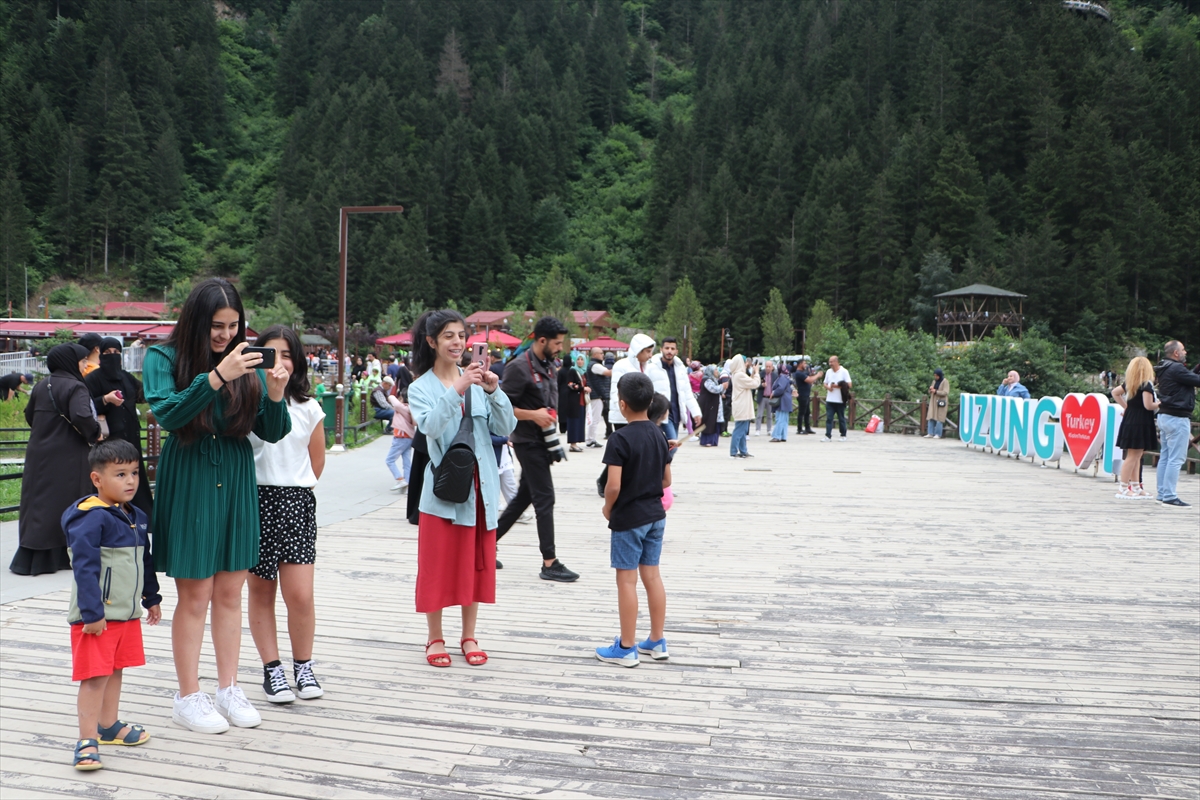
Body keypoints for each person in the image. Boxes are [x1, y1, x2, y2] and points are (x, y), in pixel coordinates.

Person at [143, 277, 291, 734]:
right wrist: (217, 376)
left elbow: (272, 431)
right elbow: (167, 413)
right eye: (216, 326)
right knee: (195, 594)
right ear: (196, 321)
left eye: (233, 325)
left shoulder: (247, 359)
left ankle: (229, 688)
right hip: (190, 471)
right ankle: (188, 695)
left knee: (230, 591)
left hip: (236, 472)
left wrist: (274, 393)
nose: (227, 335)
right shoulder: (162, 357)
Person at [407, 309, 516, 667]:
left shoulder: (479, 381)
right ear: (431, 341)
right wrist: (458, 388)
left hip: (480, 490)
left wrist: (493, 389)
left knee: (474, 565)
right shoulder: (420, 388)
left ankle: (469, 636)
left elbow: (506, 426)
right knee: (436, 566)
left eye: (461, 335)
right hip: (443, 493)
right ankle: (434, 637)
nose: (457, 342)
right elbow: (431, 428)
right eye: (448, 336)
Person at [63, 439, 162, 771]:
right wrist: (93, 613)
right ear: (97, 479)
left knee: (116, 669)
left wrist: (151, 597)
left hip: (126, 614)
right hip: (98, 616)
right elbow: (84, 568)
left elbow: (144, 561)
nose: (130, 481)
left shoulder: (136, 516)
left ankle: (108, 725)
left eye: (134, 473)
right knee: (94, 676)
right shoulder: (90, 518)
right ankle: (86, 740)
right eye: (120, 474)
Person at [245, 325, 327, 704]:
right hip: (254, 500)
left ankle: (303, 666)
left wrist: (295, 487)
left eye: (288, 355)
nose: (279, 363)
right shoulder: (246, 403)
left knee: (301, 595)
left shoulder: (309, 408)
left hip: (295, 502)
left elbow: (316, 463)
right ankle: (272, 669)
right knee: (261, 591)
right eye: (270, 355)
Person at [595, 373, 672, 667]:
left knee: (627, 581)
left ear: (622, 404)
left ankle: (626, 647)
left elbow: (613, 485)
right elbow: (666, 480)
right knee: (652, 576)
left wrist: (608, 507)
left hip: (629, 518)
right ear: (650, 402)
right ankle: (656, 640)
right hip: (656, 515)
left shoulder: (619, 438)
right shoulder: (659, 435)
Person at [495, 317, 580, 582]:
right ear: (541, 340)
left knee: (524, 498)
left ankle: (482, 545)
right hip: (527, 441)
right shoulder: (518, 367)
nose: (560, 348)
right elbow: (501, 408)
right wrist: (534, 415)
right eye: (557, 343)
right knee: (545, 498)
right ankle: (549, 562)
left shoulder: (549, 364)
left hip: (543, 440)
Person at [10, 343, 100, 575]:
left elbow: (30, 415)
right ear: (71, 362)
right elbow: (81, 416)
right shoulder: (76, 386)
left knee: (38, 501)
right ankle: (62, 555)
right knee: (67, 500)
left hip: (38, 452)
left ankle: (32, 555)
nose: (85, 365)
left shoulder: (42, 385)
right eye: (82, 361)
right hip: (69, 453)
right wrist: (95, 431)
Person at [84, 338, 153, 522]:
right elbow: (85, 405)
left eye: (116, 352)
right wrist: (105, 399)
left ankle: (141, 516)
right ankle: (111, 517)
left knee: (133, 474)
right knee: (113, 475)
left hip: (131, 435)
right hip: (109, 439)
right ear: (101, 355)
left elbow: (142, 394)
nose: (112, 356)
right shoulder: (93, 379)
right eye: (107, 353)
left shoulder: (126, 377)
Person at [1154, 340, 1200, 507]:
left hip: (1165, 416)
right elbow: (1196, 380)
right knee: (1176, 459)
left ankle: (1162, 493)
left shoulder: (1165, 367)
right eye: (1183, 350)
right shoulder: (1176, 368)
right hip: (1177, 418)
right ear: (1176, 353)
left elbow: (1189, 378)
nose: (1185, 352)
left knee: (1165, 456)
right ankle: (1170, 495)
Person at [1114, 356, 1159, 500]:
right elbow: (1148, 405)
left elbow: (1115, 392)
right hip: (1141, 421)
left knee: (1136, 455)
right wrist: (1161, 403)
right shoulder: (1146, 385)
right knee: (1133, 456)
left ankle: (1135, 486)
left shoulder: (1130, 384)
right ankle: (1123, 487)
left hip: (1131, 419)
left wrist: (1127, 407)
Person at [609, 333, 669, 429]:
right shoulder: (621, 365)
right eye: (648, 351)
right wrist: (624, 412)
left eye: (651, 352)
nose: (650, 355)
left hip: (642, 417)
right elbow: (616, 393)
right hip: (623, 419)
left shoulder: (647, 367)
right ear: (638, 350)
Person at [651, 337, 702, 442]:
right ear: (661, 349)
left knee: (669, 445)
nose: (669, 351)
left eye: (672, 348)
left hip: (676, 413)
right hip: (660, 413)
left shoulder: (680, 368)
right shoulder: (652, 368)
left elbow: (687, 392)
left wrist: (696, 412)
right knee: (673, 444)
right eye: (667, 348)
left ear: (676, 351)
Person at [728, 355, 758, 457]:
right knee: (739, 429)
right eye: (744, 362)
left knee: (743, 429)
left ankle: (743, 450)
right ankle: (733, 451)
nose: (746, 364)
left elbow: (749, 382)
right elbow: (755, 384)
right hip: (742, 405)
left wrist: (753, 373)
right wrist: (757, 373)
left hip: (741, 405)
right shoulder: (739, 375)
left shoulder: (737, 374)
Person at [557, 354, 587, 453]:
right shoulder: (572, 371)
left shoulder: (583, 372)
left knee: (579, 421)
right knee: (573, 421)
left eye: (582, 359)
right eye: (578, 359)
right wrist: (583, 388)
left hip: (581, 400)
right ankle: (573, 444)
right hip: (572, 399)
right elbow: (570, 384)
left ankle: (576, 443)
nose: (580, 361)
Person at [387, 389, 415, 492]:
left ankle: (400, 479)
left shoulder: (404, 408)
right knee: (406, 462)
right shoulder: (410, 408)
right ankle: (408, 483)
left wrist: (390, 396)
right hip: (408, 437)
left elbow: (395, 403)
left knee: (389, 460)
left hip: (401, 437)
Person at [586, 346, 612, 447]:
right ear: (595, 354)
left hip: (597, 394)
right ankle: (590, 439)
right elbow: (608, 372)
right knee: (595, 418)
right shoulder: (595, 365)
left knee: (595, 418)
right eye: (601, 353)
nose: (603, 355)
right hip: (596, 395)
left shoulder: (595, 364)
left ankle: (591, 438)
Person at [822, 355, 852, 441]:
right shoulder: (828, 371)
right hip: (830, 399)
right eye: (829, 362)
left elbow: (849, 385)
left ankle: (843, 435)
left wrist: (837, 386)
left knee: (841, 418)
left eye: (832, 362)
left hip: (840, 400)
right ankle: (828, 436)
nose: (830, 364)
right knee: (829, 418)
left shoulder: (844, 371)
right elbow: (825, 383)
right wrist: (828, 387)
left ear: (837, 362)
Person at [792, 359, 821, 434]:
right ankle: (799, 429)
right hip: (802, 394)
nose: (806, 365)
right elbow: (809, 380)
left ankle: (807, 428)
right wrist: (817, 375)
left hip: (806, 394)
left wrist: (810, 373)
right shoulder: (799, 373)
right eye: (804, 363)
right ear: (800, 364)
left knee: (807, 412)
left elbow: (810, 380)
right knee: (802, 412)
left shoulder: (803, 372)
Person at [697, 365, 724, 447]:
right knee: (709, 422)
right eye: (715, 370)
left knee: (714, 423)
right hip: (708, 405)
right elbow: (713, 389)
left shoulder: (713, 380)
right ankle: (707, 441)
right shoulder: (707, 380)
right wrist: (722, 386)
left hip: (713, 405)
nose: (717, 371)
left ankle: (713, 441)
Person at [769, 365, 793, 442]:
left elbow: (781, 388)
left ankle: (777, 436)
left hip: (782, 401)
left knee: (780, 419)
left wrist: (774, 393)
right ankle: (783, 436)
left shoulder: (782, 377)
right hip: (786, 400)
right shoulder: (787, 377)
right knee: (784, 419)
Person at [754, 359, 776, 436]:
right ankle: (758, 429)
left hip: (770, 397)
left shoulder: (775, 375)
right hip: (762, 396)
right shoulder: (761, 374)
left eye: (769, 366)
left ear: (772, 367)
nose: (768, 368)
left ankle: (769, 430)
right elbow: (755, 384)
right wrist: (761, 385)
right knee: (759, 415)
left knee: (770, 415)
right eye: (766, 366)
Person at [925, 368, 949, 438]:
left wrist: (936, 391)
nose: (936, 377)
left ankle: (938, 434)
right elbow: (930, 391)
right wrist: (930, 389)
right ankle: (930, 433)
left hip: (941, 402)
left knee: (939, 418)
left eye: (937, 375)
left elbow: (945, 392)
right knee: (931, 416)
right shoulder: (934, 381)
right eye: (935, 375)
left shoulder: (945, 381)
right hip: (933, 401)